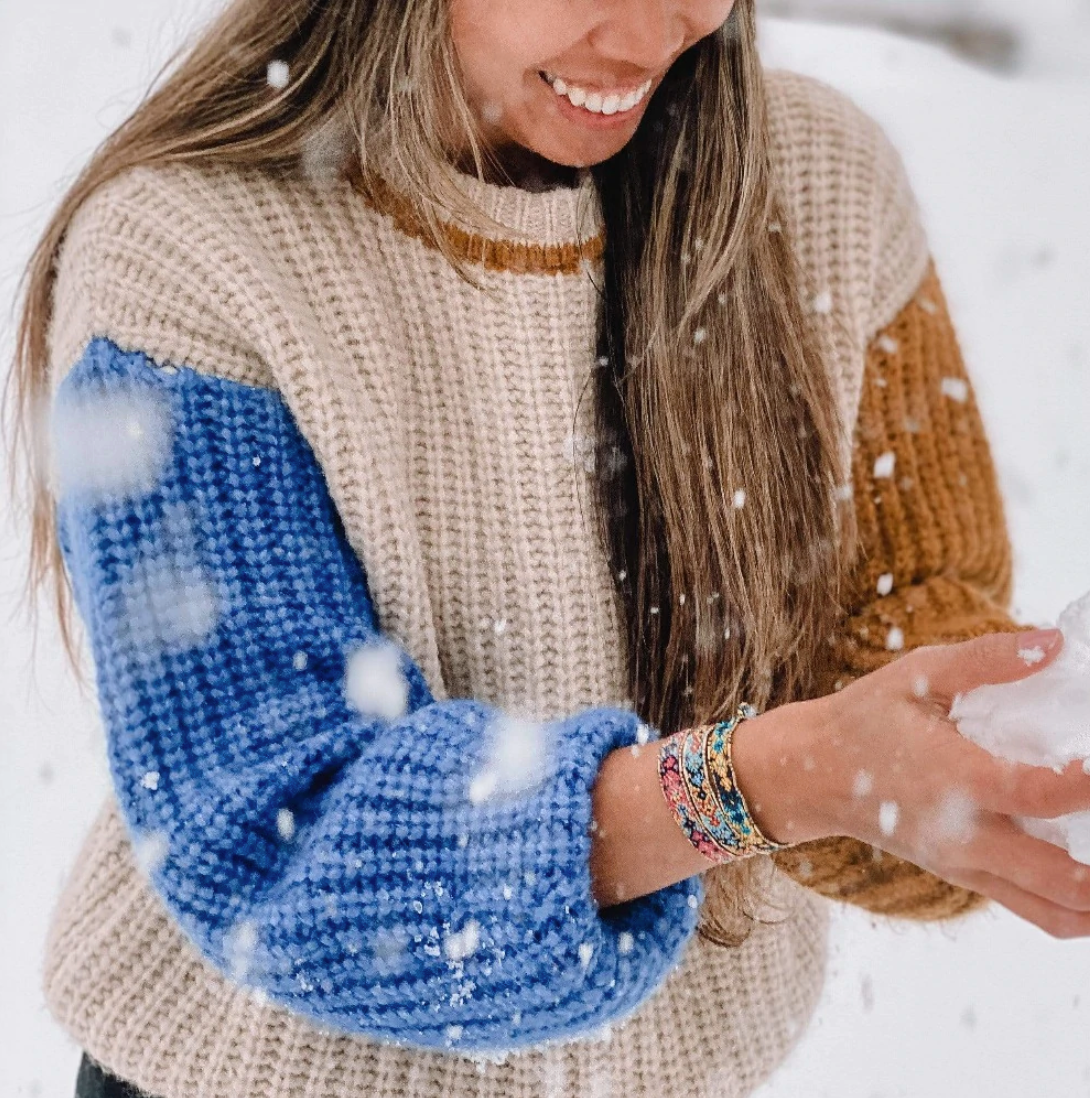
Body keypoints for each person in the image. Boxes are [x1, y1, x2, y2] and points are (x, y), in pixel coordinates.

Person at [8, 1, 1090, 1096]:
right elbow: (279, 836)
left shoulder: (820, 182)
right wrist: (765, 783)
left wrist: (1022, 750)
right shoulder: (192, 251)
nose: (648, 34)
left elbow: (890, 621)